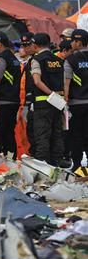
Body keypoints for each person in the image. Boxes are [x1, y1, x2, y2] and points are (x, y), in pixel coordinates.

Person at [30, 33, 68, 166]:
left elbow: (36, 81)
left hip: (43, 103)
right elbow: (64, 83)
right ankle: (56, 162)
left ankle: (43, 165)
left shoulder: (36, 60)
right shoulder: (58, 60)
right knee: (56, 133)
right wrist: (61, 98)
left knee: (42, 135)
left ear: (35, 45)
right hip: (58, 103)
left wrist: (50, 93)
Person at [0, 31, 22, 157]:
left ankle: (0, 159)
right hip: (14, 100)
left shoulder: (2, 59)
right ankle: (12, 158)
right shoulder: (14, 58)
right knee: (10, 132)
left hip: (2, 102)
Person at [64, 29, 88, 170]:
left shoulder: (70, 60)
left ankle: (78, 166)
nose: (71, 43)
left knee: (76, 135)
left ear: (78, 42)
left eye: (72, 41)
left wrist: (65, 102)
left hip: (76, 104)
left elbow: (66, 85)